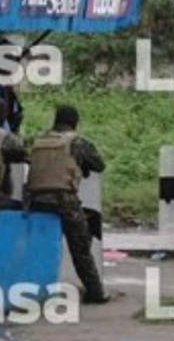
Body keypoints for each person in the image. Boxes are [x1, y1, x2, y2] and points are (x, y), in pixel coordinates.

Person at [25, 105, 110, 304]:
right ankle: (95, 291)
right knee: (80, 247)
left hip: (36, 201)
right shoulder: (77, 142)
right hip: (64, 201)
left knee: (36, 248)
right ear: (75, 123)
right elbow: (99, 165)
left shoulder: (37, 141)